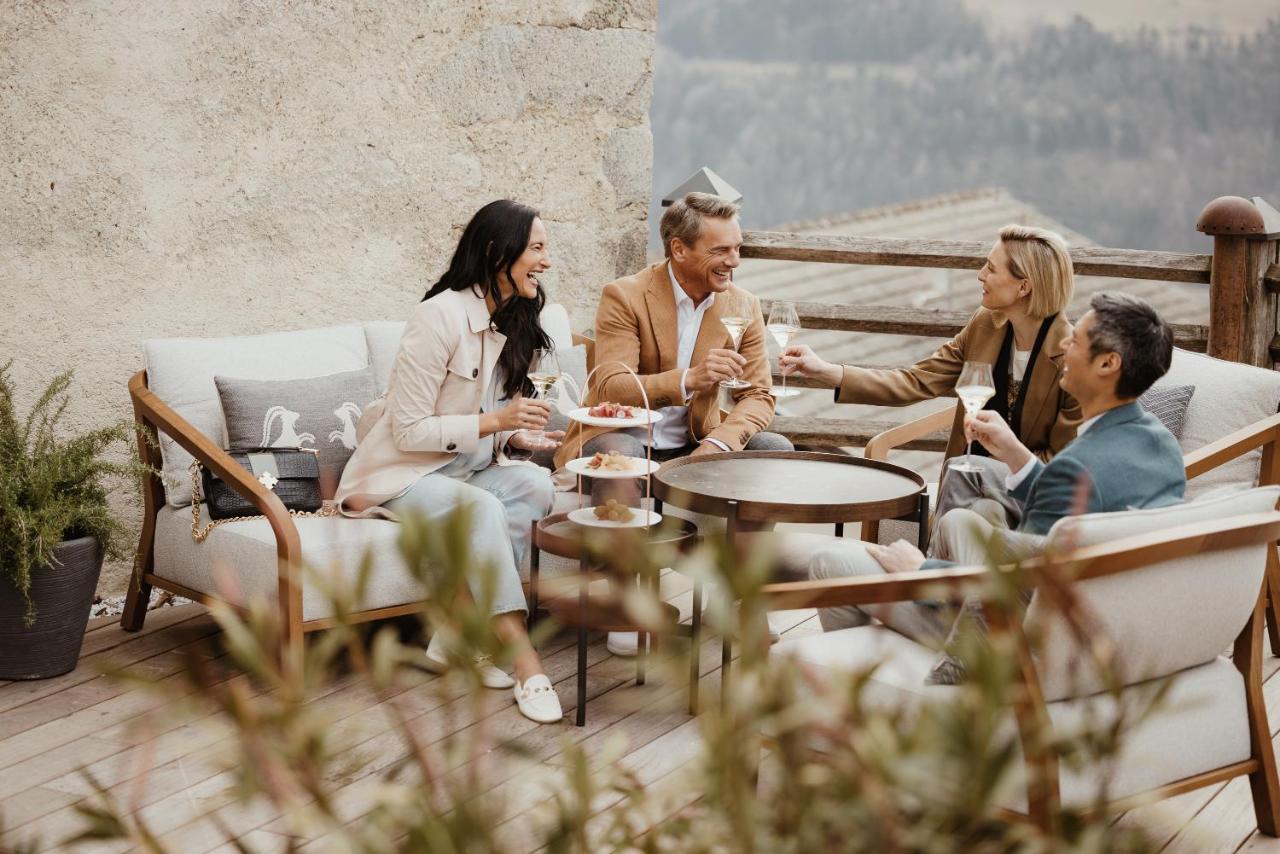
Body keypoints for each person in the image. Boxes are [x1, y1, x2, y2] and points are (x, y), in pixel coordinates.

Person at [806, 292, 1185, 643]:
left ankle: (865, 690)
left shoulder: (1077, 468)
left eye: (1077, 341)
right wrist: (1015, 453)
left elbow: (1011, 594)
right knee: (957, 521)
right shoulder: (1162, 447)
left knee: (832, 563)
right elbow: (1077, 511)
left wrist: (922, 570)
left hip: (1013, 646)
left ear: (1108, 363)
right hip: (1105, 626)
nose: (1065, 345)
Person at [336, 200, 564, 724]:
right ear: (495, 251)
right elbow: (410, 429)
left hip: (462, 468)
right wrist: (496, 422)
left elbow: (489, 422)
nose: (547, 261)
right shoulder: (437, 317)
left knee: (534, 487)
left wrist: (518, 440)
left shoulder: (517, 319)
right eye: (537, 248)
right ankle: (527, 665)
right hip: (402, 473)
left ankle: (455, 637)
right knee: (481, 510)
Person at [554, 191, 793, 655]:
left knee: (774, 448)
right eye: (721, 250)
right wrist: (689, 379)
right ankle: (630, 602)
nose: (734, 262)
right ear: (678, 249)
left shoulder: (744, 306)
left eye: (738, 248)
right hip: (622, 435)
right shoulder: (624, 295)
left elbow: (760, 394)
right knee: (618, 457)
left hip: (695, 444)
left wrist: (719, 446)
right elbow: (610, 386)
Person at [780, 225, 1082, 527]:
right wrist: (826, 370)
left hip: (1029, 500)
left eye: (991, 269)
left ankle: (929, 564)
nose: (980, 275)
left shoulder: (1073, 358)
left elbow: (1058, 464)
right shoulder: (985, 326)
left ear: (1024, 287)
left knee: (978, 515)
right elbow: (915, 381)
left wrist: (991, 465)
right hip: (964, 490)